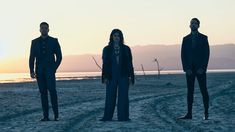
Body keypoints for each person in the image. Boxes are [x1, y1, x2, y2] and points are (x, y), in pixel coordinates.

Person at [29, 22, 62, 121]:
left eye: (45, 28)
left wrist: (54, 68)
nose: (44, 29)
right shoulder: (34, 42)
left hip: (50, 71)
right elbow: (31, 58)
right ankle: (46, 116)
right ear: (39, 30)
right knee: (43, 93)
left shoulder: (54, 41)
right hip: (39, 72)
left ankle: (56, 116)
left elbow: (59, 57)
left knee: (52, 92)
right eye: (42, 28)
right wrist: (31, 70)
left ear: (48, 29)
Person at [100, 29, 135, 121]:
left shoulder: (126, 49)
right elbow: (105, 64)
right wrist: (105, 77)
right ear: (112, 37)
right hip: (111, 75)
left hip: (123, 75)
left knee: (123, 97)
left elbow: (130, 63)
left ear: (121, 37)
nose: (116, 37)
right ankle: (107, 117)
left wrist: (131, 76)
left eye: (118, 36)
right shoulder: (106, 49)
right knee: (110, 96)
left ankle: (123, 117)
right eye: (114, 35)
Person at [179, 18, 210, 120]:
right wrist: (186, 68)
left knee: (204, 91)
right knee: (190, 92)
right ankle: (189, 114)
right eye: (192, 23)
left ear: (198, 26)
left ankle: (206, 114)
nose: (193, 25)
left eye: (195, 23)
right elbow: (183, 55)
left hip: (200, 70)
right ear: (189, 25)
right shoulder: (185, 39)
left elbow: (206, 54)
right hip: (190, 70)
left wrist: (203, 68)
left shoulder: (204, 38)